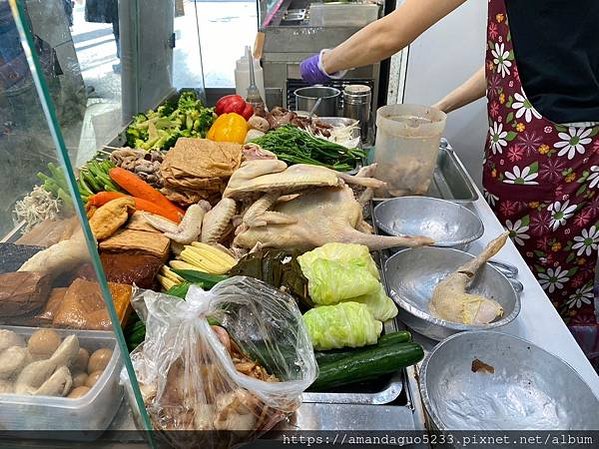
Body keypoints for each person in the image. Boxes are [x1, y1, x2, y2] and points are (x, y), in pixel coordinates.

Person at [300, 0, 599, 368]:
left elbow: (390, 32)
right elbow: (515, 66)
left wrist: (324, 63)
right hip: (563, 157)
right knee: (518, 270)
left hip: (546, 160)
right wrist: (439, 108)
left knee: (533, 307)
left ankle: (539, 376)